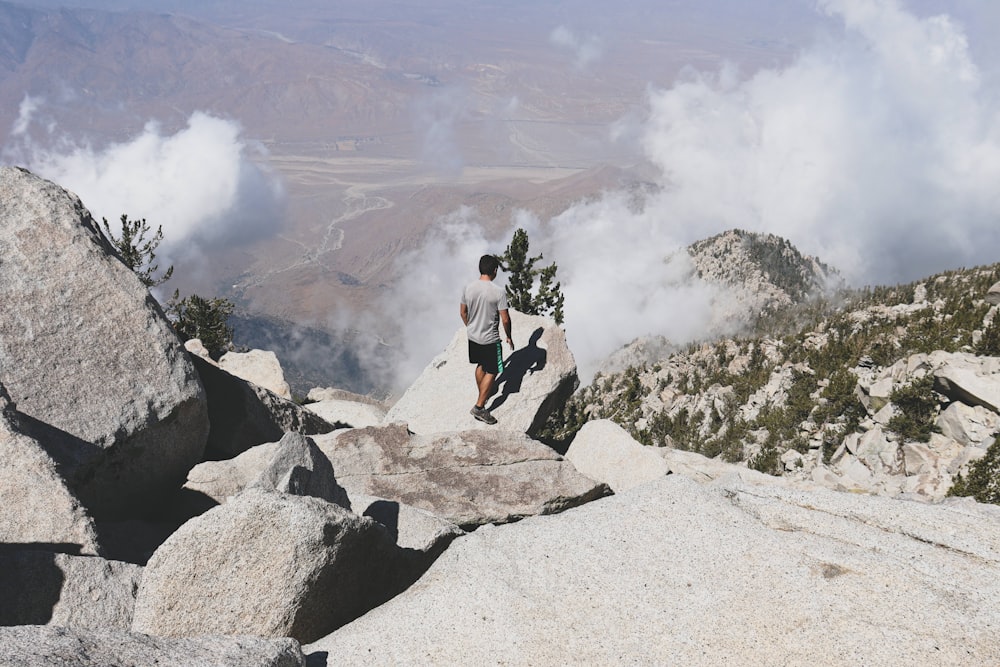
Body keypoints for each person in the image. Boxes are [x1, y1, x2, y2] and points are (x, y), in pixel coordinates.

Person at [460, 254, 512, 425]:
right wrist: (509, 336)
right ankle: (480, 407)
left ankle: (484, 392)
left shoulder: (468, 287)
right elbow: (505, 318)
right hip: (490, 339)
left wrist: (471, 326)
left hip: (473, 336)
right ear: (495, 270)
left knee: (481, 365)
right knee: (494, 370)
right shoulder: (498, 292)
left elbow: (463, 312)